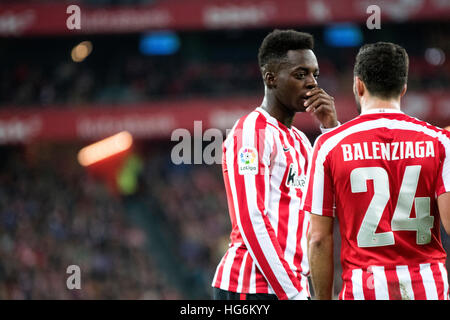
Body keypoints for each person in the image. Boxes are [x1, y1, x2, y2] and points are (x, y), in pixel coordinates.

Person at [302, 42, 450, 300]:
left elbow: (318, 239)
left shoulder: (329, 145)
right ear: (403, 88)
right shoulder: (439, 142)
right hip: (428, 288)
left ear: (358, 85)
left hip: (364, 289)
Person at [211, 29, 339, 300]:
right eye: (300, 74)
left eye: (315, 74)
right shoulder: (250, 133)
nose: (312, 83)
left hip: (288, 286)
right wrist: (292, 294)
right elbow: (251, 219)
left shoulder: (301, 141)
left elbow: (334, 200)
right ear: (270, 78)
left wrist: (331, 129)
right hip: (251, 288)